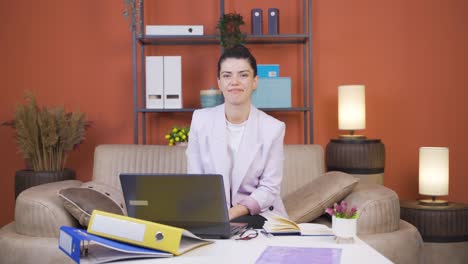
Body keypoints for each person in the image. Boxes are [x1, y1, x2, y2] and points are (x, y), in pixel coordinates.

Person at [186, 45, 287, 229]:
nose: (234, 82)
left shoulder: (273, 128)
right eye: (227, 75)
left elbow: (269, 188)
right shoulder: (200, 120)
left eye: (243, 75)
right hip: (211, 213)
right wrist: (214, 214)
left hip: (257, 215)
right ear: (219, 82)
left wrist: (231, 213)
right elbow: (195, 179)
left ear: (255, 81)